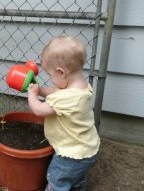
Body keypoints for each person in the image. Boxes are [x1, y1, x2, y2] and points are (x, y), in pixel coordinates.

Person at [28, 36, 100, 191]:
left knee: (57, 180)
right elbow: (55, 92)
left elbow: (39, 110)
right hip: (86, 150)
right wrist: (40, 90)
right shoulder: (80, 87)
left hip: (70, 156)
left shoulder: (68, 98)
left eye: (51, 75)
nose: (51, 80)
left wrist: (32, 95)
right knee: (76, 179)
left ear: (61, 72)